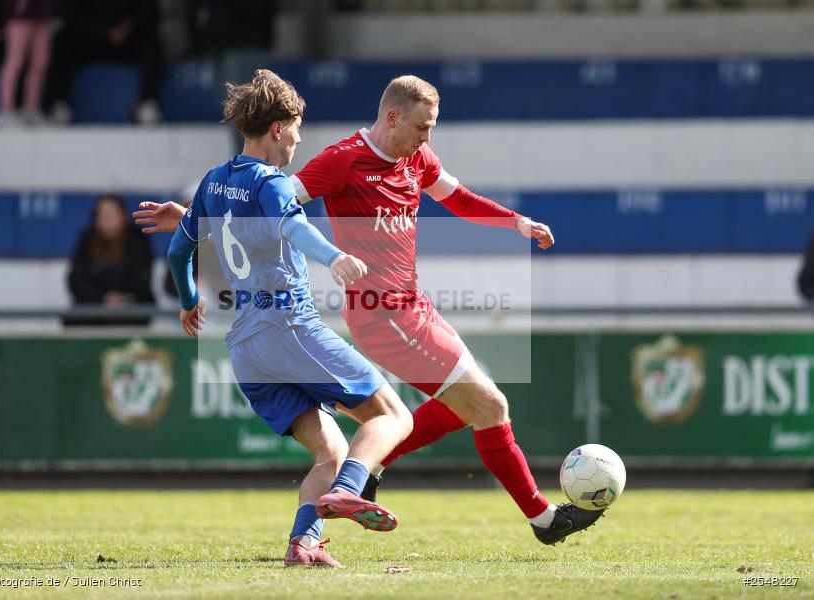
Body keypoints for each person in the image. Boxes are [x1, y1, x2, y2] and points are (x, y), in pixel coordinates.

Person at [134, 74, 606, 547]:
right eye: (422, 126)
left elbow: (456, 198)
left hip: (413, 307)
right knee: (488, 405)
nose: (427, 137)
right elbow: (276, 210)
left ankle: (364, 476)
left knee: (463, 407)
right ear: (392, 117)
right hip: (383, 317)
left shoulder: (416, 158)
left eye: (431, 128)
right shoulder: (342, 161)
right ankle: (542, 519)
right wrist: (209, 222)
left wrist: (515, 222)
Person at [164, 69, 413, 567]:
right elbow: (293, 227)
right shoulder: (270, 181)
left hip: (246, 348)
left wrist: (190, 299)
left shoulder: (213, 181)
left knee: (331, 449)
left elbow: (177, 251)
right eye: (297, 127)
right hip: (289, 326)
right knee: (393, 415)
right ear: (278, 127)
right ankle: (348, 491)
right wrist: (334, 258)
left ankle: (304, 544)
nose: (300, 138)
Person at [45, 0, 163, 125]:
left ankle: (148, 104)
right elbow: (71, 13)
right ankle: (60, 105)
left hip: (128, 37)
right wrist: (104, 31)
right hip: (90, 37)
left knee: (152, 44)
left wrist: (127, 26)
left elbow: (149, 9)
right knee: (61, 43)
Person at [66, 193, 155, 326]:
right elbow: (76, 280)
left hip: (130, 309)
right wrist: (103, 299)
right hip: (93, 310)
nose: (107, 220)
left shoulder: (138, 240)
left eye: (112, 215)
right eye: (102, 215)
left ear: (123, 217)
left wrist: (121, 298)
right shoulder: (87, 240)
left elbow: (142, 279)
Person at [0, 0, 57, 127]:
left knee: (40, 62)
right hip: (20, 14)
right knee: (15, 61)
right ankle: (5, 109)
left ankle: (31, 109)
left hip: (43, 14)